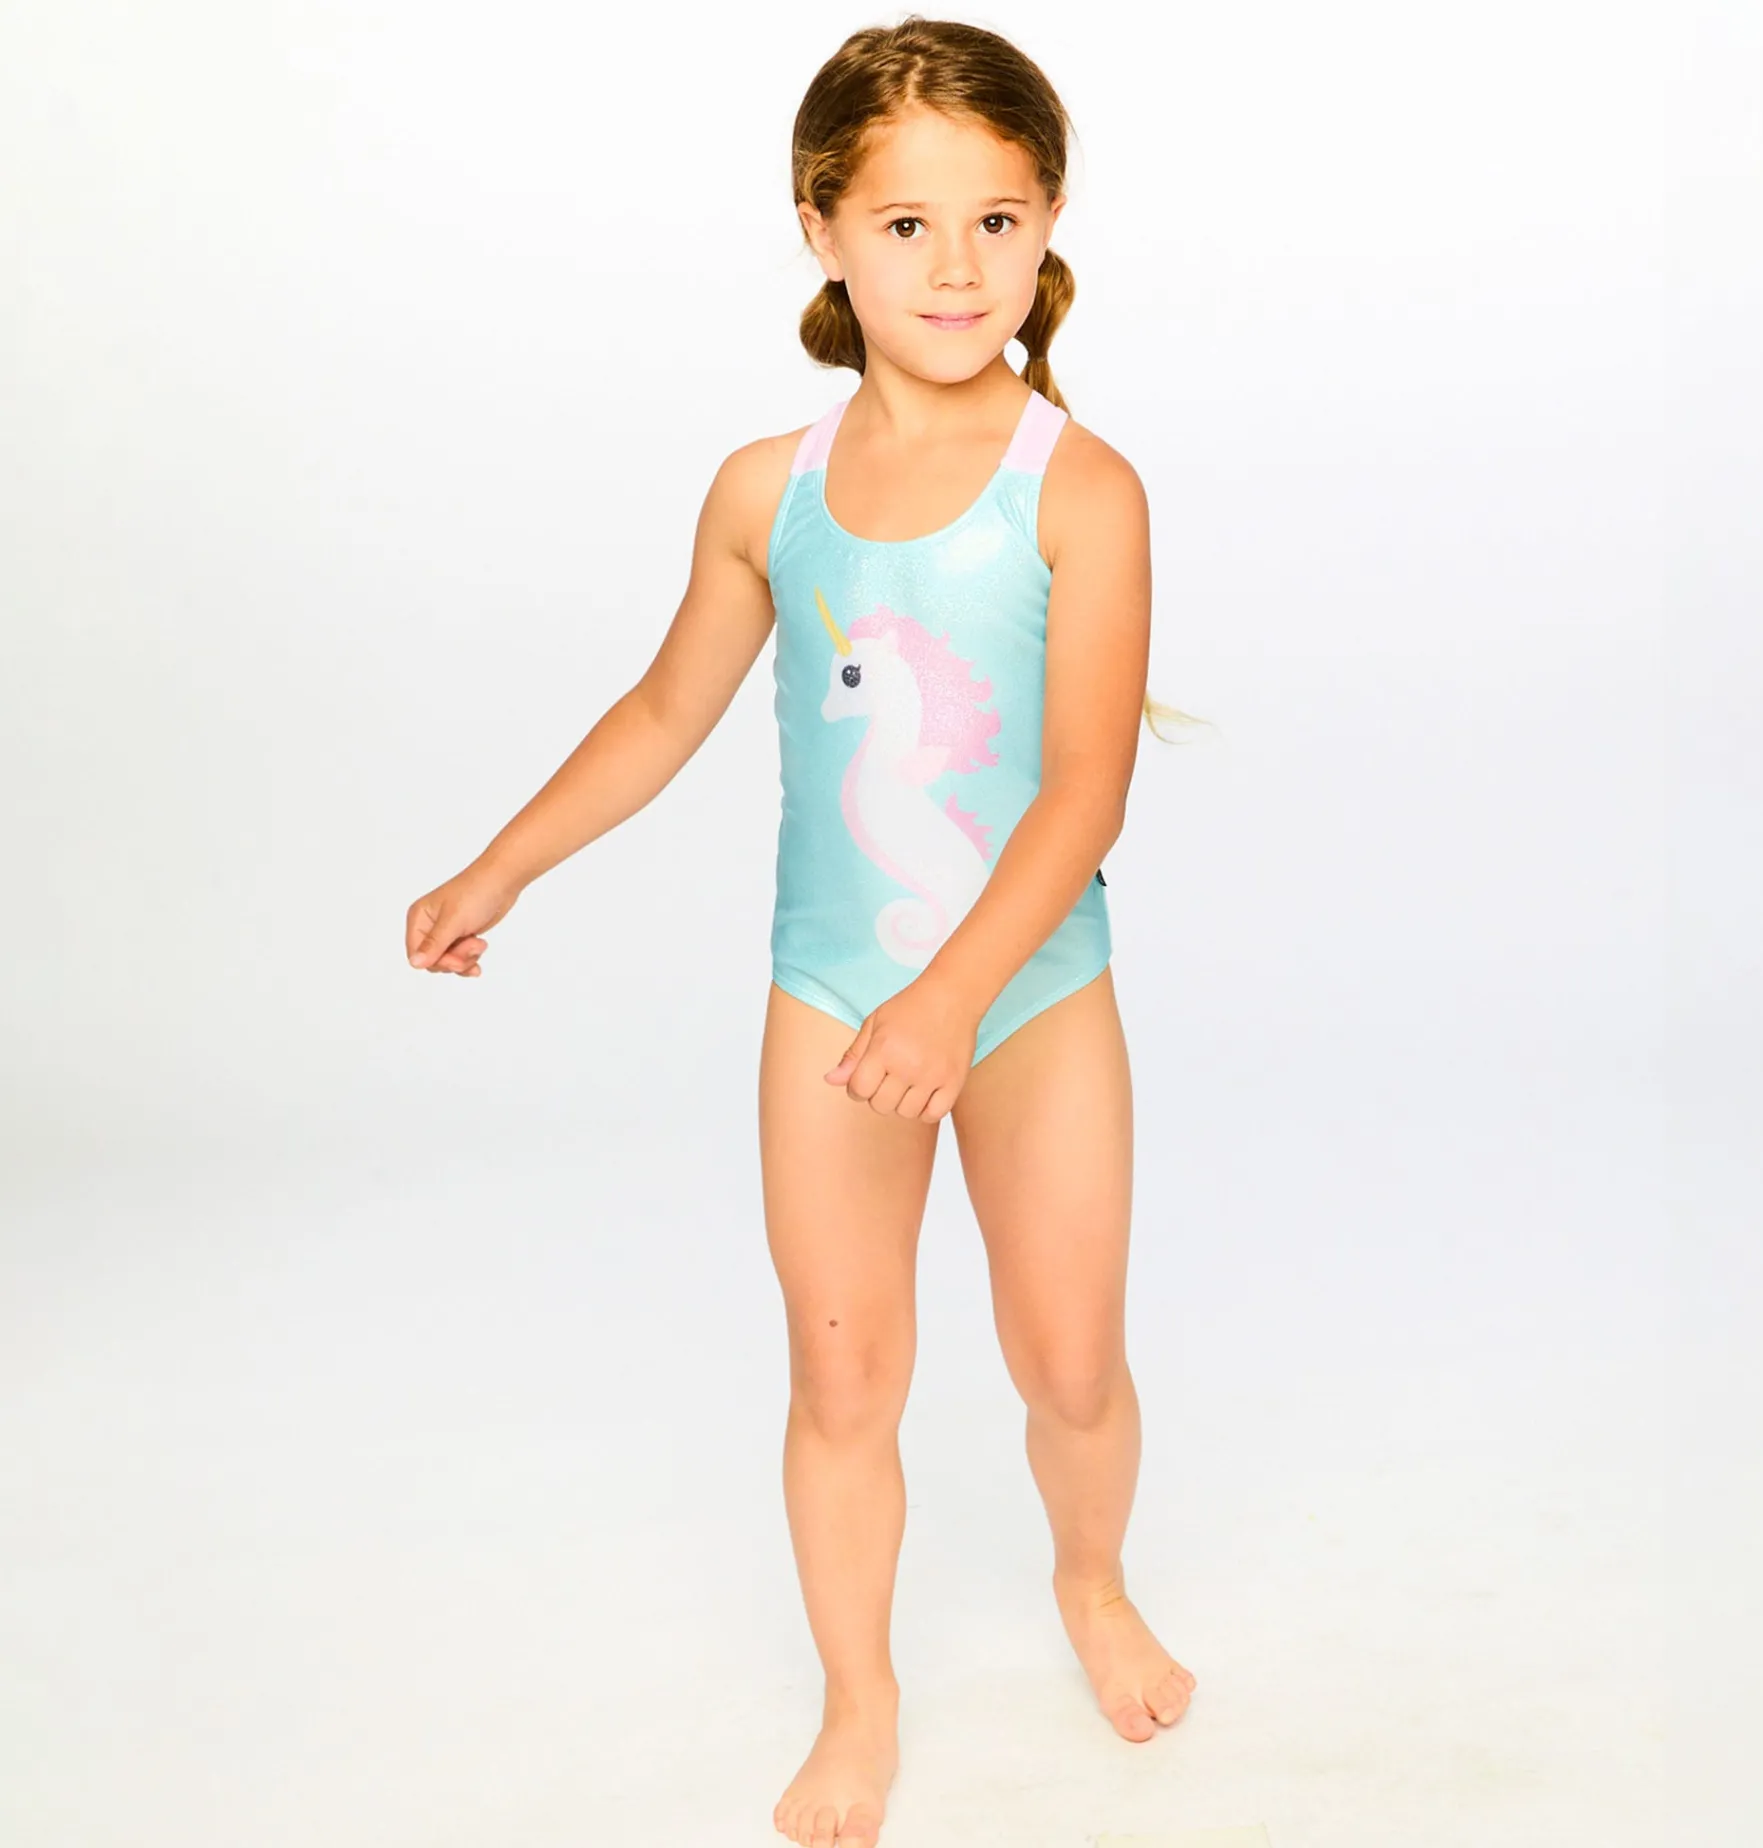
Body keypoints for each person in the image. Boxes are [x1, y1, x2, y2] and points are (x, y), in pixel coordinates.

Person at [404, 17, 1205, 1847]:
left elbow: (1083, 792)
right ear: (821, 227)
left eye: (997, 220)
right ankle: (861, 1701)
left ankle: (1092, 1582)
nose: (957, 266)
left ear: (1049, 224)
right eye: (908, 224)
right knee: (843, 1375)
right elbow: (661, 711)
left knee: (1070, 1363)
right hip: (835, 999)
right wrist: (503, 867)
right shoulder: (766, 491)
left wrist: (955, 999)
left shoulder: (1081, 489)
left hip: (1028, 995)